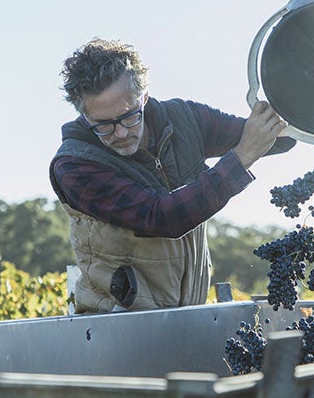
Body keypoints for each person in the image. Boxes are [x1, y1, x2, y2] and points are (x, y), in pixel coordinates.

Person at [49, 38, 294, 313]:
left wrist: (310, 83)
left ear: (144, 97)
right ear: (84, 115)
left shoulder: (185, 120)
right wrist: (242, 158)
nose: (120, 133)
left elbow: (278, 138)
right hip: (114, 323)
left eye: (129, 116)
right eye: (103, 125)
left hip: (186, 314)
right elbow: (161, 218)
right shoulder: (75, 165)